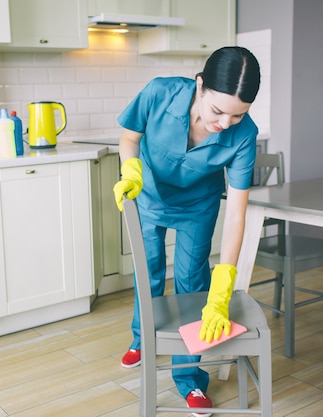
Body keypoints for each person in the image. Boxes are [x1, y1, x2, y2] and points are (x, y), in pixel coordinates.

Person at [113, 46, 261, 416]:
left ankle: (189, 378)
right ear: (200, 87)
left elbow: (236, 215)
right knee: (147, 271)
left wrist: (223, 287)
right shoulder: (159, 92)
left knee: (192, 283)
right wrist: (131, 170)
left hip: (197, 208)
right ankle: (142, 339)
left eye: (237, 114)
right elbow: (129, 137)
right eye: (217, 111)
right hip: (148, 195)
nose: (225, 123)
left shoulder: (244, 135)